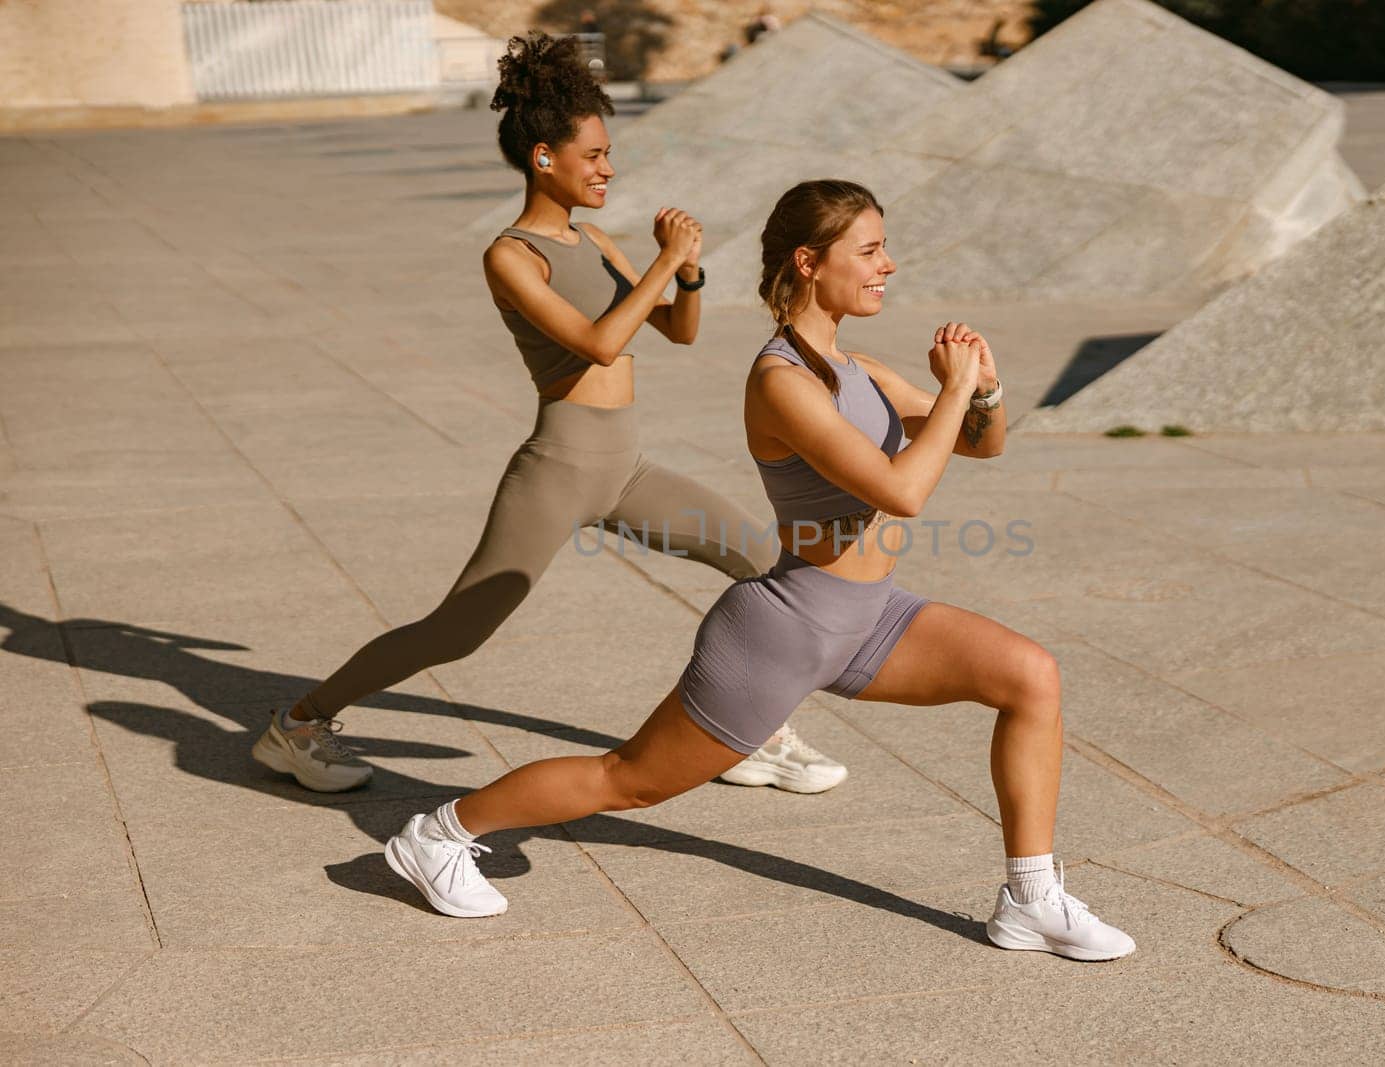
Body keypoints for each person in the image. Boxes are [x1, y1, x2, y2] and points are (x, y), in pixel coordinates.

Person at [379, 179, 1137, 961]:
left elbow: (983, 442)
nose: (889, 265)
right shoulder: (780, 380)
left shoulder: (862, 369)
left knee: (1030, 676)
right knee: (627, 780)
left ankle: (1030, 898)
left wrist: (987, 386)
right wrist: (951, 390)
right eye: (870, 250)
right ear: (809, 262)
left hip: (870, 616)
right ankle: (440, 831)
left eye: (885, 249)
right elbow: (904, 491)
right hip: (784, 628)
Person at [251, 33, 847, 799]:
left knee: (760, 560)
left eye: (608, 154)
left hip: (626, 468)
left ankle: (748, 730)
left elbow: (678, 329)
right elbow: (600, 344)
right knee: (458, 629)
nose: (607, 168)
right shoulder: (512, 255)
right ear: (543, 158)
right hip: (559, 468)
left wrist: (688, 272)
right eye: (593, 154)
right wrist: (664, 261)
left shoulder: (594, 239)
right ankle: (296, 724)